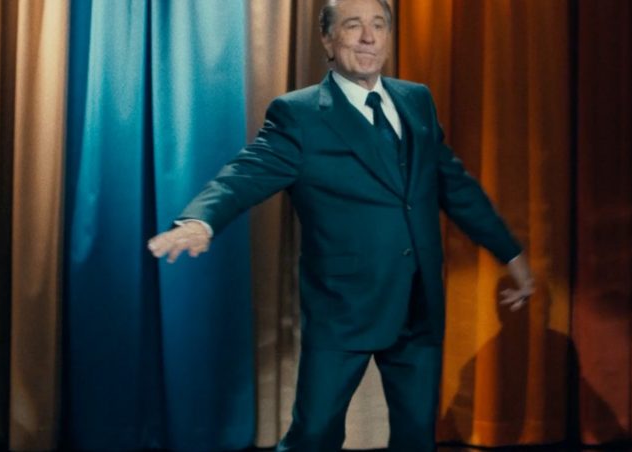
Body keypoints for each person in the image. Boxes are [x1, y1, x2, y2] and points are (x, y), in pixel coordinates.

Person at [147, 0, 535, 450]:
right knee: (314, 434)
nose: (369, 37)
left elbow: (456, 186)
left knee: (416, 435)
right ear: (328, 40)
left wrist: (510, 252)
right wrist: (201, 219)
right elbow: (245, 174)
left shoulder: (417, 100)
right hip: (343, 306)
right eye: (354, 26)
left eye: (379, 25)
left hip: (418, 301)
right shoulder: (299, 115)